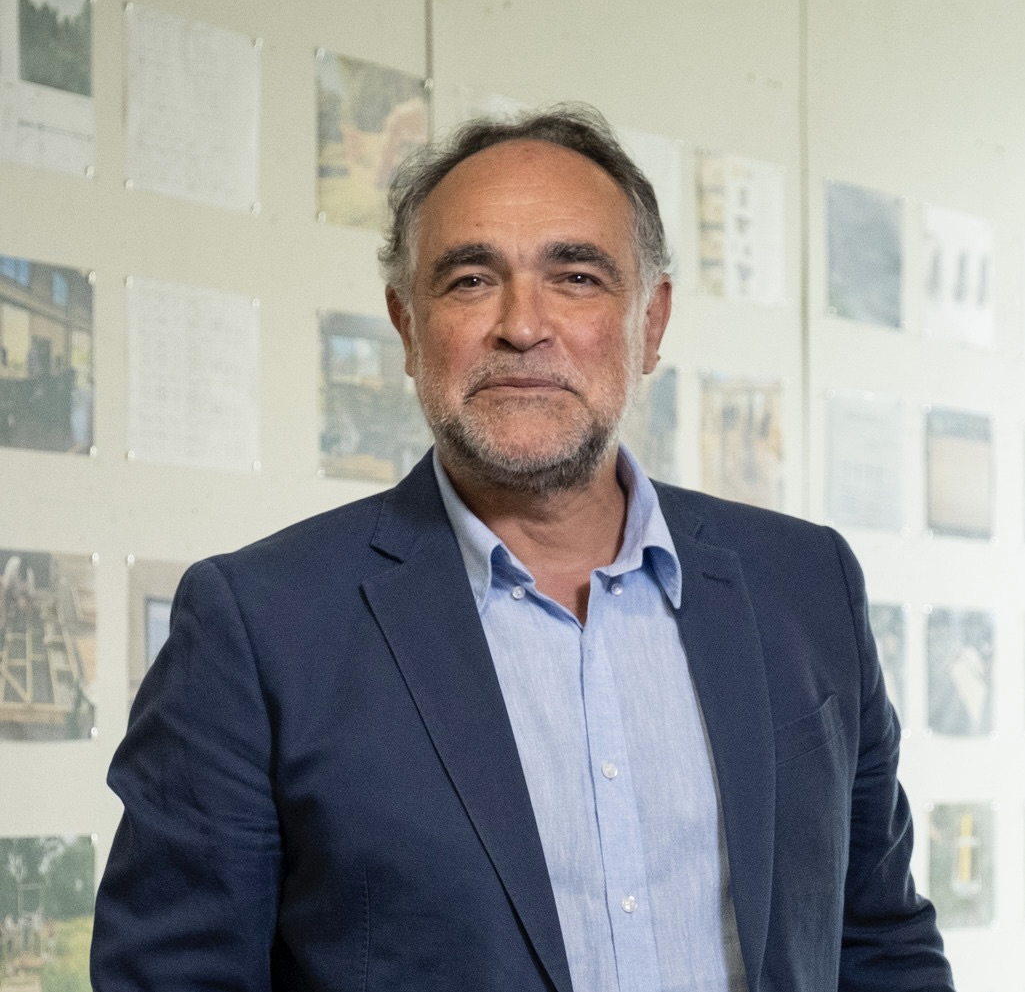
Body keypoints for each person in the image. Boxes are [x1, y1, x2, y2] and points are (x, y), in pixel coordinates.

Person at [91, 104, 955, 992]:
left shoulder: (805, 585)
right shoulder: (258, 627)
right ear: (406, 326)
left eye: (576, 276)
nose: (522, 325)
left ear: (649, 323)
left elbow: (878, 943)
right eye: (469, 280)